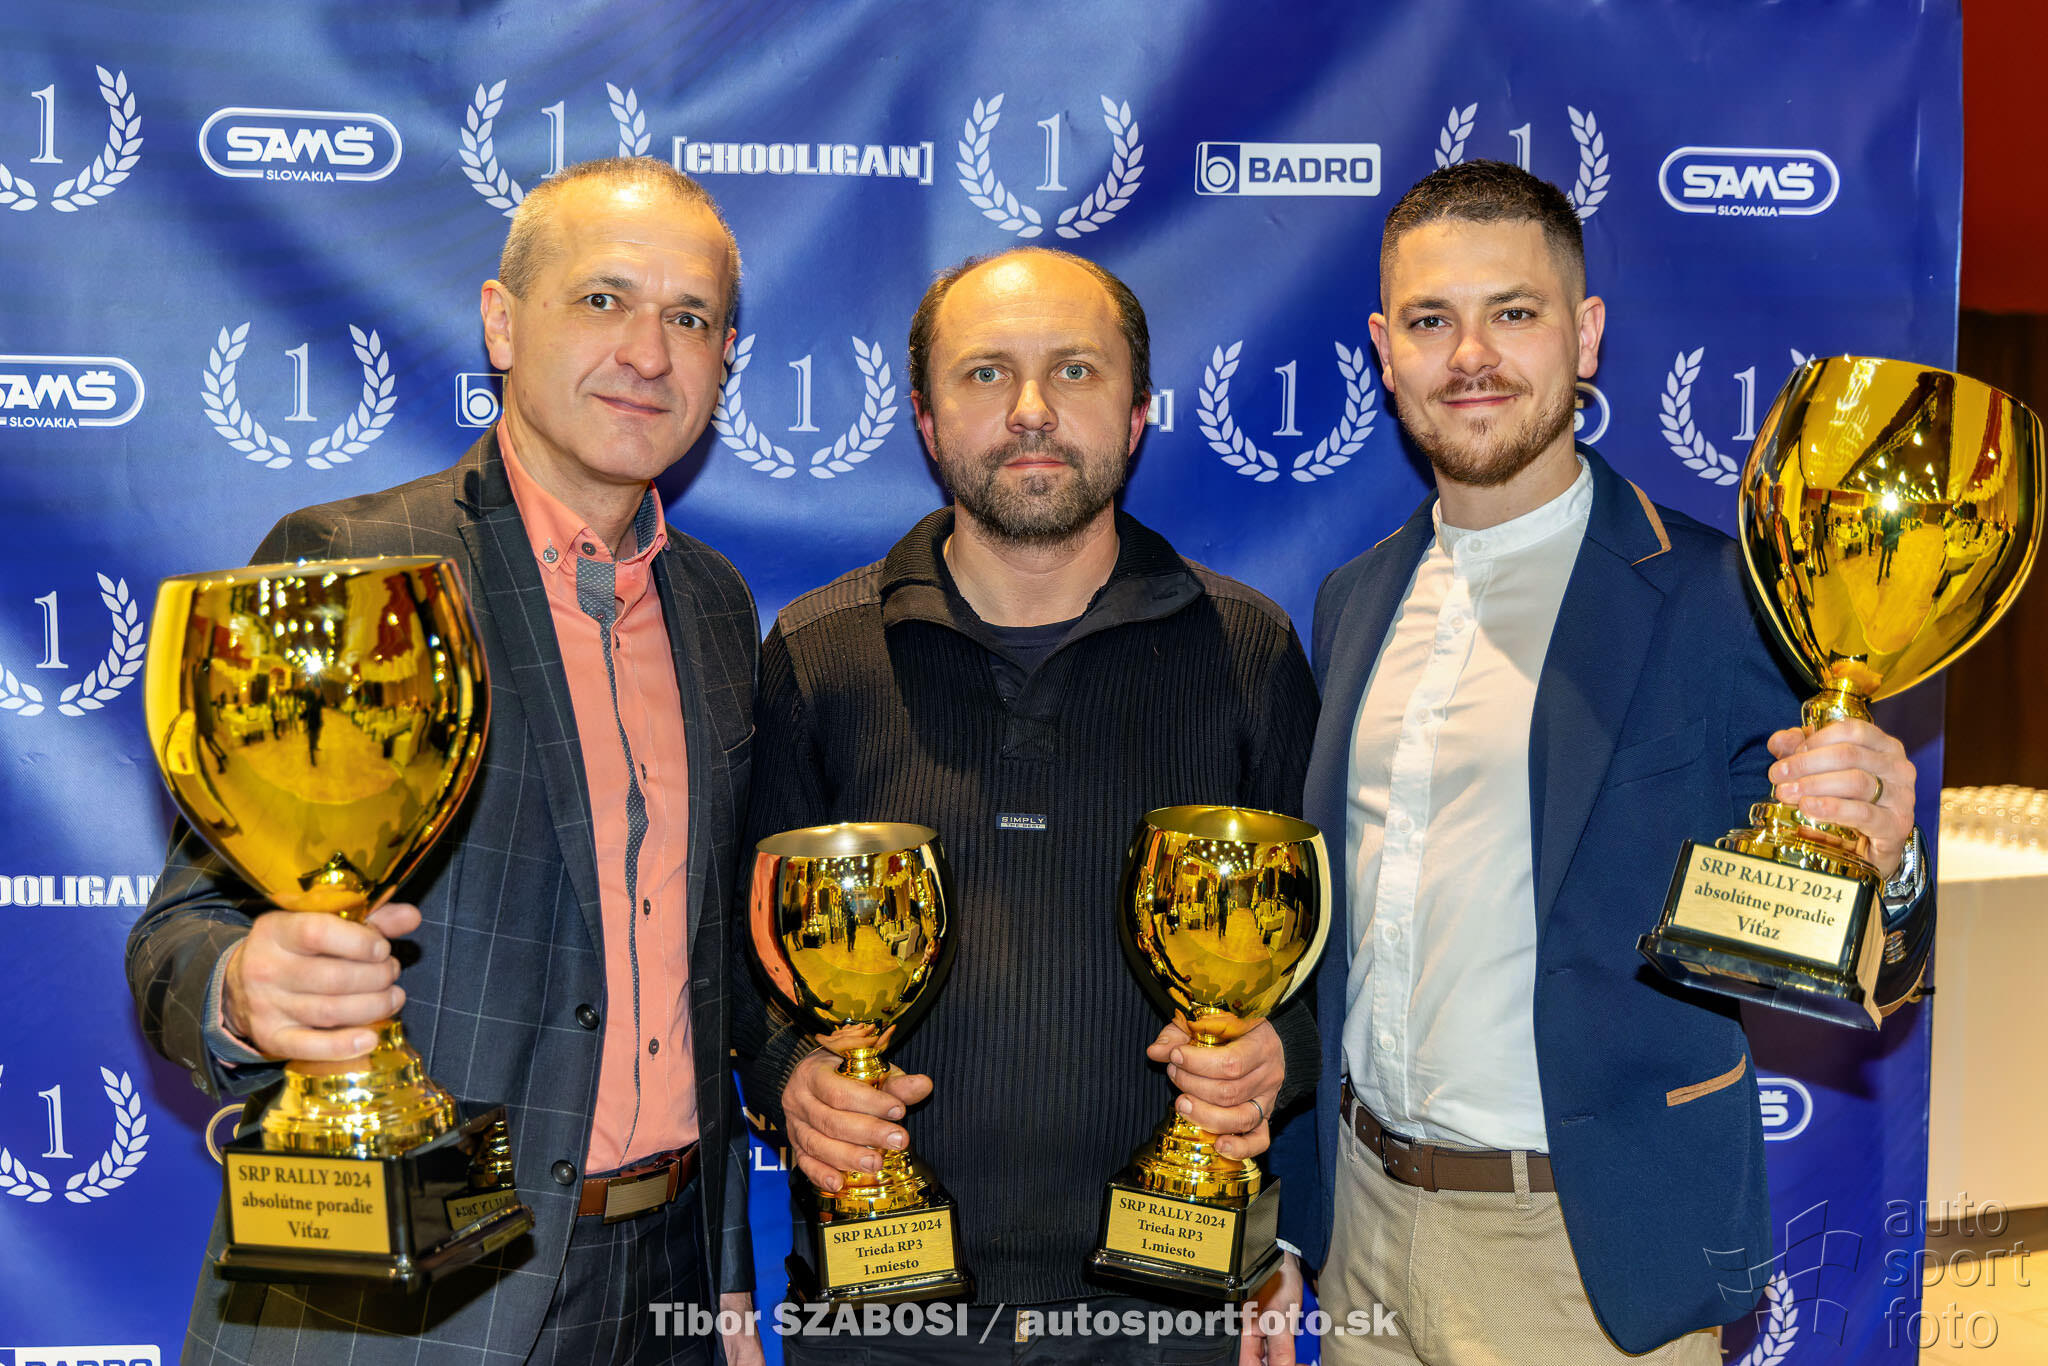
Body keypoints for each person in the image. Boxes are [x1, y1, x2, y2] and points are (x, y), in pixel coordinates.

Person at [1274, 161, 1934, 1364]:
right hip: (1362, 1227)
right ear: (1383, 350)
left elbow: (1865, 950)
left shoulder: (1724, 602)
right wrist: (1287, 1225)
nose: (1470, 355)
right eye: (1429, 320)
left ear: (1583, 336)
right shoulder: (1350, 599)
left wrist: (1884, 859)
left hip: (1583, 1258)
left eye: (1512, 312)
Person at [127, 157, 763, 1366]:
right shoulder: (356, 569)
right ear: (500, 323)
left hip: (664, 1281)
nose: (647, 352)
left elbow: (703, 980)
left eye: (689, 318)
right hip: (412, 1294)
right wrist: (246, 988)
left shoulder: (718, 608)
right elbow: (181, 930)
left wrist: (721, 1280)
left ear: (724, 357)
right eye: (603, 299)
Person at [732, 246, 1318, 1363]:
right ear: (924, 417)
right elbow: (734, 946)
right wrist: (789, 1076)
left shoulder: (1249, 650)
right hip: (879, 1317)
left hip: (1168, 1312)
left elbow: (1328, 964)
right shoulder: (817, 653)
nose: (1032, 409)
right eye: (986, 373)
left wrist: (1276, 1056)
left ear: (1138, 414)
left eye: (1076, 370)